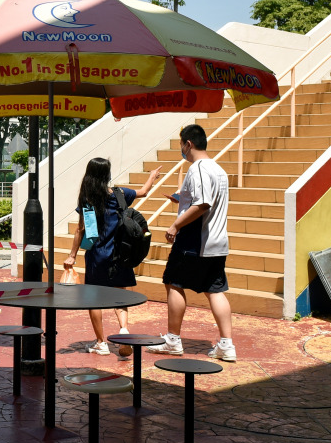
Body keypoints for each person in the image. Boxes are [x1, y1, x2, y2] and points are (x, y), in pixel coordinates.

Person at [147, 124, 236, 362]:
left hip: (195, 238)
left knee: (174, 282)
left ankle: (173, 340)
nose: (181, 150)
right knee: (215, 289)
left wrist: (176, 225)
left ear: (188, 144)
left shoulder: (197, 169)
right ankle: (227, 345)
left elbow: (203, 203)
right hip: (217, 240)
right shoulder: (218, 170)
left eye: (181, 145)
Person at [64, 158, 160, 357]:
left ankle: (101, 343)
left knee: (93, 299)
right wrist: (152, 177)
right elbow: (143, 192)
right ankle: (124, 331)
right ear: (107, 175)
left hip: (97, 256)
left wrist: (72, 256)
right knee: (120, 296)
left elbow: (81, 230)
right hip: (120, 256)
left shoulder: (88, 199)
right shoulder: (119, 194)